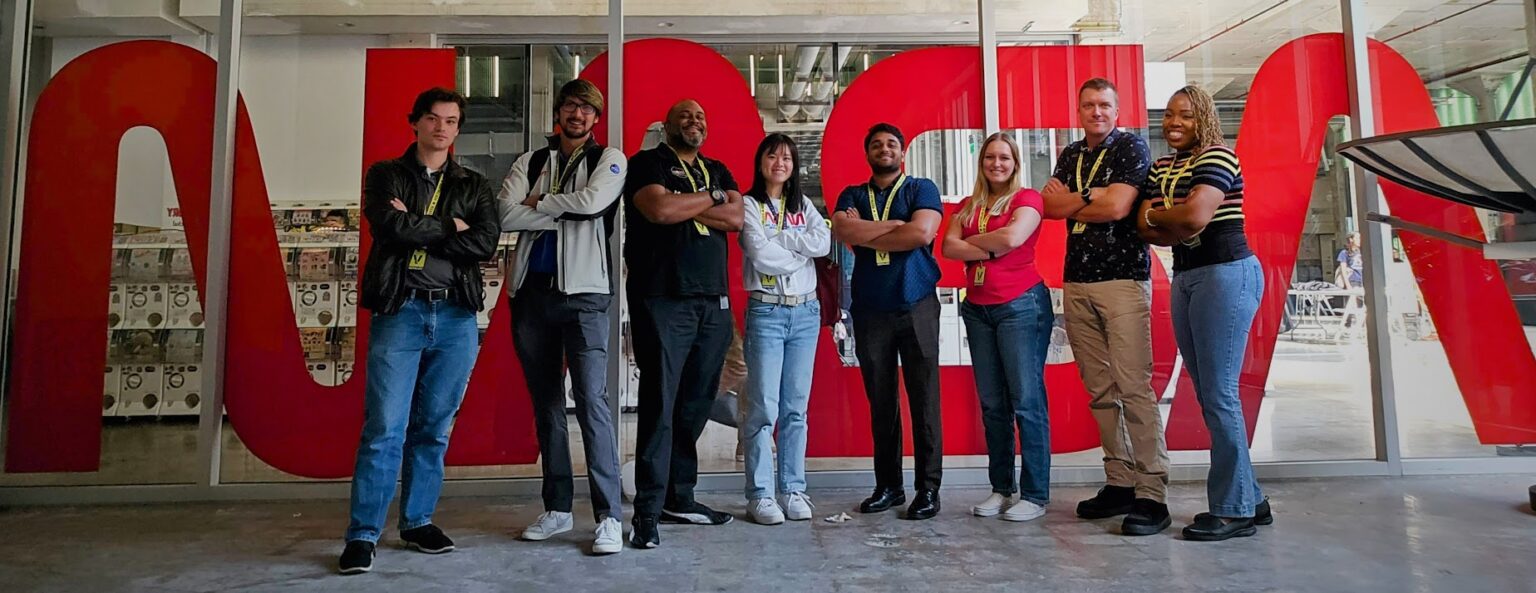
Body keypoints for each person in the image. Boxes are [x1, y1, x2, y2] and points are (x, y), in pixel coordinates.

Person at [341, 87, 499, 574]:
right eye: (432, 119)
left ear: (457, 129)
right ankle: (363, 534)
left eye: (451, 121)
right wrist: (451, 227)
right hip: (401, 311)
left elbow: (486, 242)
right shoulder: (385, 174)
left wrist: (423, 224)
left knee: (433, 428)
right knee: (385, 427)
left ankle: (417, 522)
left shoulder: (474, 184)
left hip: (454, 317)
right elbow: (389, 227)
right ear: (415, 123)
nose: (441, 128)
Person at [1136, 85, 1273, 542]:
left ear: (1205, 119)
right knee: (1209, 392)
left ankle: (1233, 511)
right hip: (1188, 275)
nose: (1174, 123)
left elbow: (1194, 218)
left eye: (1187, 116)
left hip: (1226, 273)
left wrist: (1162, 215)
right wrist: (1162, 219)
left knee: (1219, 394)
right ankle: (1251, 498)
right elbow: (1143, 228)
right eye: (1170, 115)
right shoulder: (1162, 166)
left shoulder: (1218, 156)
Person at [496, 79, 627, 555]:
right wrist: (560, 212)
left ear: (596, 118)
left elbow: (594, 204)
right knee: (547, 406)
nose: (579, 115)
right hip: (532, 295)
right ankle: (557, 508)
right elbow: (505, 215)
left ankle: (609, 515)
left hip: (587, 296)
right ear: (559, 111)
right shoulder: (531, 161)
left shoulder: (609, 159)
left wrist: (540, 204)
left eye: (588, 109)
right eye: (572, 106)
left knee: (592, 402)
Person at [1039, 77, 1170, 535]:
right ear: (1079, 111)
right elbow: (1049, 208)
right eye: (1089, 105)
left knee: (1134, 387)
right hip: (1077, 282)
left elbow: (1116, 208)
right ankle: (1119, 481)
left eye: (1105, 105)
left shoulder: (1131, 148)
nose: (1097, 112)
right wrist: (1090, 199)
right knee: (1099, 390)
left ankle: (1152, 493)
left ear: (1117, 110)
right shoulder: (1072, 154)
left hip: (1122, 281)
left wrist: (1080, 200)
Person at [624, 99, 744, 549]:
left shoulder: (718, 167)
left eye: (700, 116)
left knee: (695, 403)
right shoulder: (646, 162)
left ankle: (681, 497)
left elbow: (736, 217)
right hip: (663, 298)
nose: (694, 121)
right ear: (667, 125)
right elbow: (657, 211)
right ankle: (647, 512)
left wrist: (687, 203)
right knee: (660, 402)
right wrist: (709, 199)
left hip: (712, 301)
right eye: (685, 117)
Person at [831, 123, 945, 521]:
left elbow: (921, 233)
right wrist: (895, 227)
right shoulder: (852, 194)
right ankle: (889, 486)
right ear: (868, 154)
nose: (884, 149)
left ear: (902, 154)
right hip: (870, 308)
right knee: (881, 400)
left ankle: (928, 489)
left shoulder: (921, 188)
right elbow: (842, 228)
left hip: (916, 303)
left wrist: (872, 233)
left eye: (891, 144)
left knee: (924, 398)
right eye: (876, 144)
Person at [941, 133, 1052, 522]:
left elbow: (1013, 236)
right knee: (993, 405)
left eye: (1004, 157)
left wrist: (974, 241)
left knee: (1026, 401)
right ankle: (1001, 489)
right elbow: (948, 248)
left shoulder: (1027, 199)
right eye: (990, 157)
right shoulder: (969, 205)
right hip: (978, 309)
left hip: (1020, 306)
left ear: (1015, 162)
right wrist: (991, 247)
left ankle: (1035, 495)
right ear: (981, 162)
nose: (997, 163)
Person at [738, 133, 831, 525]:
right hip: (767, 313)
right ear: (761, 161)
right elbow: (760, 255)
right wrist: (797, 252)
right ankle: (760, 494)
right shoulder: (747, 204)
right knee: (763, 408)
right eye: (773, 156)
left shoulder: (803, 203)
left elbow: (823, 242)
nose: (780, 163)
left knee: (796, 407)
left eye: (788, 158)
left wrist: (784, 239)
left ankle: (793, 488)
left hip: (805, 313)